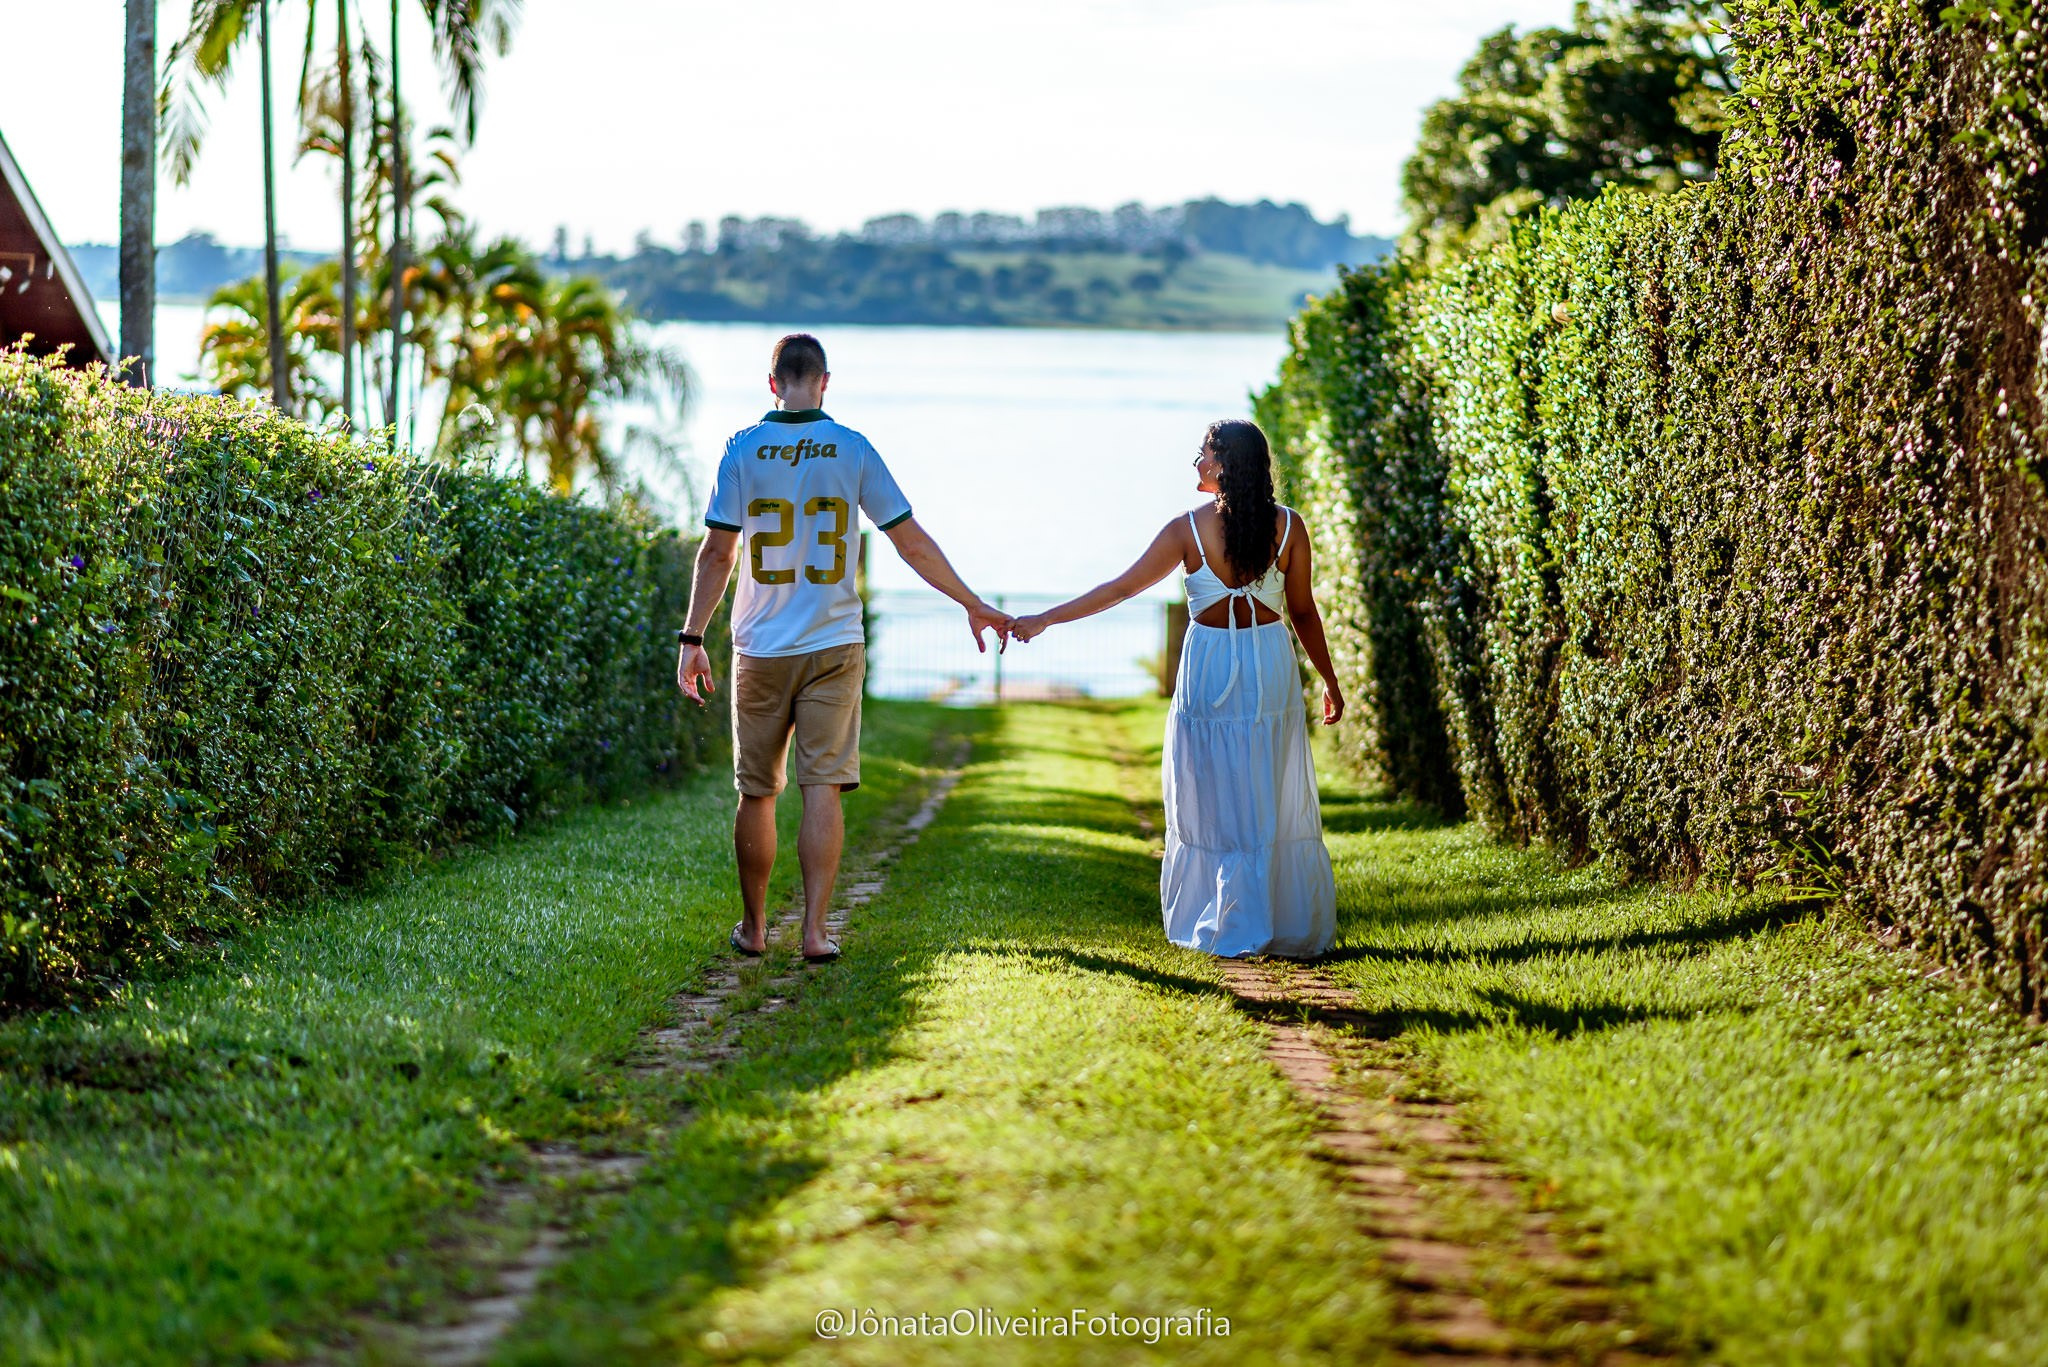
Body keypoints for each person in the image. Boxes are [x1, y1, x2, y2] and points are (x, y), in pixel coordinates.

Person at [676, 334, 1009, 962]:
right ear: (824, 381)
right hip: (834, 644)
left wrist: (692, 638)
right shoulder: (853, 449)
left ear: (772, 382)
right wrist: (972, 601)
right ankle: (815, 932)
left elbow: (718, 552)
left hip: (761, 647)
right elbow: (910, 541)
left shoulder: (741, 449)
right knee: (822, 787)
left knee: (758, 791)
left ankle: (753, 929)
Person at [1011, 419, 1341, 958]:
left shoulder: (1186, 529)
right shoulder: (1289, 526)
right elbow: (1302, 612)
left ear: (1226, 464)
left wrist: (1045, 619)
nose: (1196, 463)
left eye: (1203, 454)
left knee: (1213, 792)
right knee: (1261, 787)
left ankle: (1235, 920)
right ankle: (1263, 917)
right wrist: (1328, 680)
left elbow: (1120, 589)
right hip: (1267, 665)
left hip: (1212, 667)